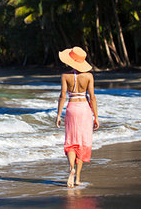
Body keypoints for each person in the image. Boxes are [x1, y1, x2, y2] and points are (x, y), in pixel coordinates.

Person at [55, 46, 99, 188]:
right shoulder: (89, 76)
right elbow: (92, 97)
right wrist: (96, 117)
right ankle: (78, 177)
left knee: (71, 141)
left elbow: (62, 96)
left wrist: (58, 115)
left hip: (72, 108)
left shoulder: (65, 76)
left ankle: (71, 168)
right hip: (85, 110)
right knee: (82, 142)